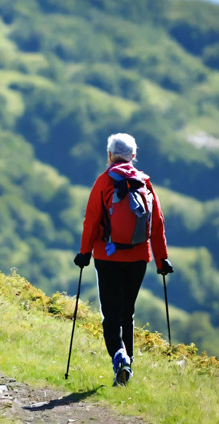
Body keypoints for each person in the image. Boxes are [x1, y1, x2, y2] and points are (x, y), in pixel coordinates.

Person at [74, 133, 172, 386]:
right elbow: (157, 224)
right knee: (127, 313)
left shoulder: (104, 181)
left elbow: (92, 220)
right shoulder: (144, 183)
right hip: (139, 257)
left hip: (107, 257)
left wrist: (84, 252)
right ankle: (128, 363)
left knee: (110, 313)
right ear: (134, 156)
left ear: (109, 155)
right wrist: (162, 261)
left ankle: (120, 359)